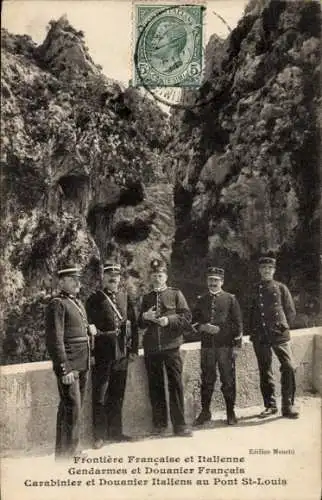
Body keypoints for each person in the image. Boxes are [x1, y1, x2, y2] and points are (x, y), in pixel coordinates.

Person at [45, 263, 96, 460]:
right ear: (61, 282)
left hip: (82, 363)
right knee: (71, 406)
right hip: (70, 365)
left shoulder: (77, 302)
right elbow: (55, 340)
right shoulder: (57, 304)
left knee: (73, 407)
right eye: (73, 280)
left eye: (78, 279)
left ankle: (66, 452)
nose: (78, 283)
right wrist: (63, 368)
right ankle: (68, 453)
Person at [86, 261, 138, 449]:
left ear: (120, 279)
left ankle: (116, 432)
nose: (113, 279)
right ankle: (99, 436)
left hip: (122, 353)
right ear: (103, 278)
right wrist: (91, 354)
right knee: (100, 395)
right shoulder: (94, 299)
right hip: (103, 354)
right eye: (109, 277)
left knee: (118, 394)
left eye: (116, 277)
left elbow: (134, 325)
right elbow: (89, 329)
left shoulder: (125, 297)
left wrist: (133, 350)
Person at [138, 258, 192, 437]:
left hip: (171, 346)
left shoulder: (176, 294)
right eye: (154, 275)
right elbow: (139, 323)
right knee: (155, 386)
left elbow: (186, 318)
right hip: (152, 348)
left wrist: (169, 320)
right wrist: (145, 316)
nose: (156, 279)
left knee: (175, 385)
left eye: (160, 275)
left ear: (166, 276)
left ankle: (180, 426)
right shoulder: (146, 298)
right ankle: (159, 424)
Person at [248, 255, 299, 419]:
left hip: (279, 333)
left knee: (289, 366)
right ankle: (270, 405)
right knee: (265, 370)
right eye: (263, 268)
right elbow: (249, 313)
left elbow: (290, 311)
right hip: (260, 334)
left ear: (274, 270)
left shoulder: (281, 288)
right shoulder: (254, 289)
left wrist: (284, 326)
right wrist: (253, 332)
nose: (266, 271)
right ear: (259, 270)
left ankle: (288, 405)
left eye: (269, 268)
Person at [192, 266, 243, 426]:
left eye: (216, 280)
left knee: (228, 380)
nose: (213, 283)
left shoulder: (230, 299)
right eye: (210, 280)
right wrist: (202, 327)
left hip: (225, 347)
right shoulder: (201, 299)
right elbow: (193, 322)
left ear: (222, 281)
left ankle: (230, 412)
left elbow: (238, 324)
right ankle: (205, 412)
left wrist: (236, 346)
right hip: (207, 347)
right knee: (207, 379)